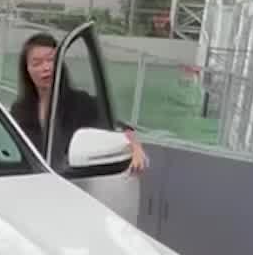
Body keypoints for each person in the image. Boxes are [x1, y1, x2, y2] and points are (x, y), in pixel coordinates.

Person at [10, 32, 149, 174]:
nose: (46, 68)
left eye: (51, 60)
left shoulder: (80, 103)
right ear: (27, 69)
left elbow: (117, 126)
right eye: (37, 63)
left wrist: (135, 147)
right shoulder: (19, 110)